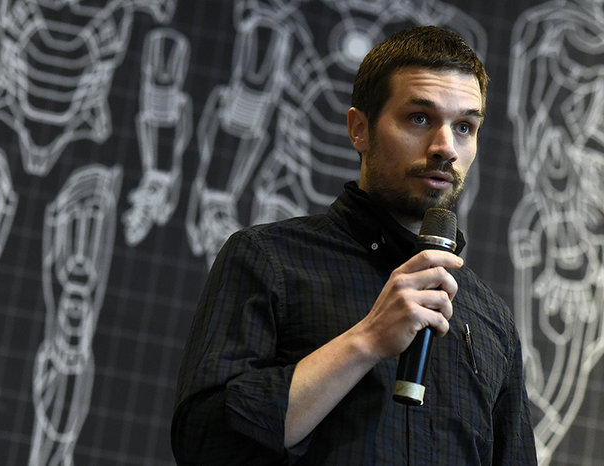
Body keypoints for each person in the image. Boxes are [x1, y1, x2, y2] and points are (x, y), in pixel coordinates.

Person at [171, 25, 538, 465]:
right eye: (420, 118)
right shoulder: (268, 260)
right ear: (359, 129)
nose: (446, 147)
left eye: (464, 126)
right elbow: (206, 443)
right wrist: (367, 340)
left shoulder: (491, 319)